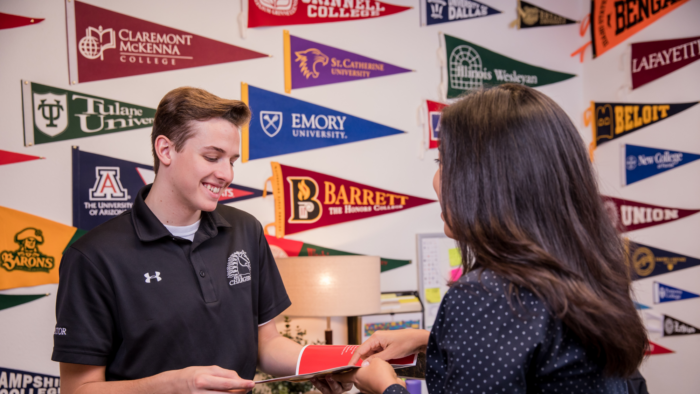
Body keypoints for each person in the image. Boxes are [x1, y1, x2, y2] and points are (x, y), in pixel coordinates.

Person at [334, 84, 648, 394]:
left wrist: (385, 386)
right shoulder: (587, 271)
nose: (436, 181)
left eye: (443, 163)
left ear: (489, 179)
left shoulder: (488, 294)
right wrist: (428, 341)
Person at [52, 87, 351, 394]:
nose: (226, 173)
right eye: (212, 157)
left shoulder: (245, 230)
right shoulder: (93, 257)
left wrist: (333, 362)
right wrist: (172, 386)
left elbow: (267, 343)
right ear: (165, 150)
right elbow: (79, 389)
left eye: (232, 160)